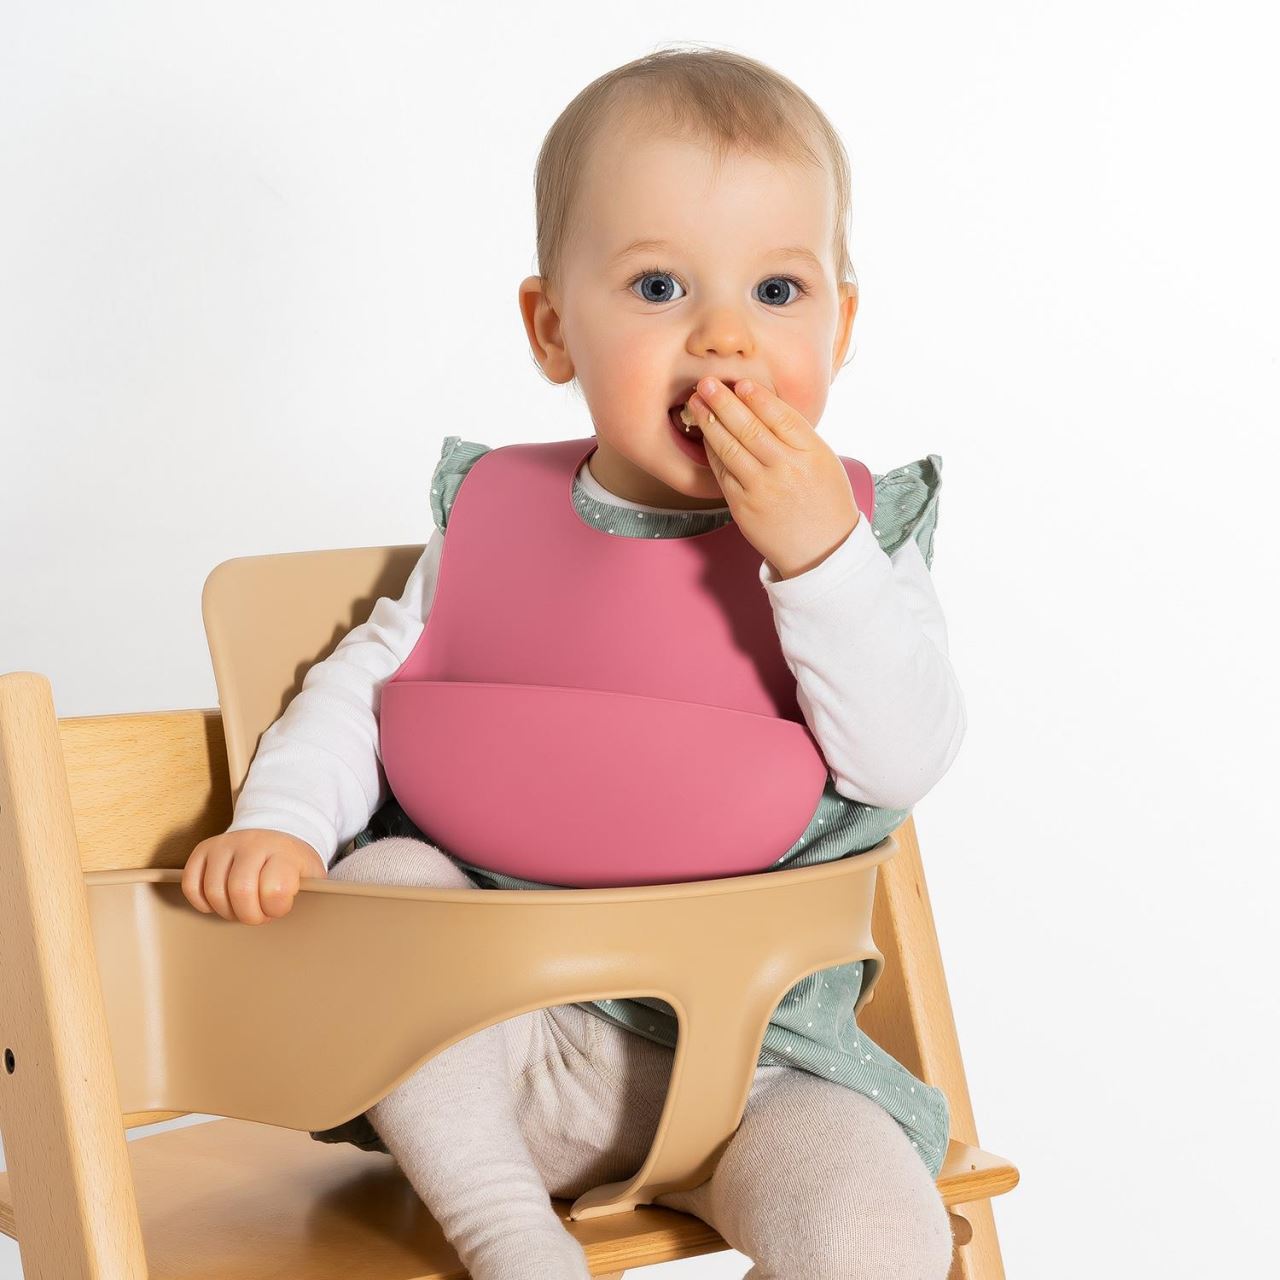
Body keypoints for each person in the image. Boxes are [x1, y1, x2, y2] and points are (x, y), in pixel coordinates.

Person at [182, 45, 965, 1280]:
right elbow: (365, 687)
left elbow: (902, 756)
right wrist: (282, 821)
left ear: (842, 324)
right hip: (508, 1040)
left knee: (879, 1236)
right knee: (390, 880)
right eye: (658, 285)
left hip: (767, 1065)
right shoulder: (494, 518)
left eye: (776, 290)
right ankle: (510, 1237)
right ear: (553, 329)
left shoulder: (856, 543)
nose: (724, 338)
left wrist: (817, 555)